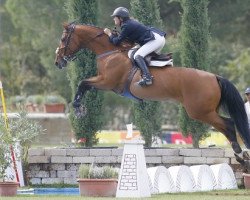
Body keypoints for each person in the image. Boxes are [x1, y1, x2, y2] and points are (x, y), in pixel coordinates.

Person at [104, 7, 166, 86]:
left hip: (155, 40)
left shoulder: (126, 26)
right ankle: (149, 74)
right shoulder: (128, 23)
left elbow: (116, 42)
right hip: (155, 38)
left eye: (115, 17)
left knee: (138, 55)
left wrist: (109, 33)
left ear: (121, 18)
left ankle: (148, 78)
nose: (114, 19)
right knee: (131, 52)